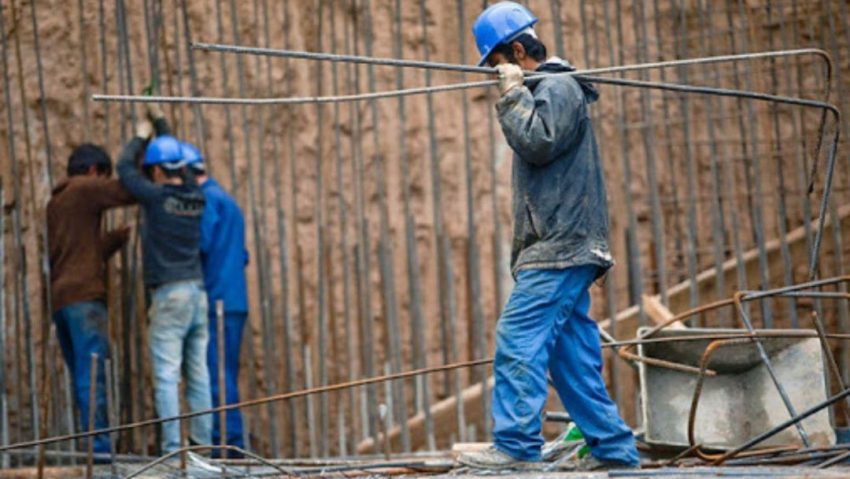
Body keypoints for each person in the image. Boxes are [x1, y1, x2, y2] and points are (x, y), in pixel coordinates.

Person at [459, 1, 639, 471]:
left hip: (560, 246)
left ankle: (516, 447)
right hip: (564, 244)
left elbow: (536, 143)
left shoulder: (558, 86)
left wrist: (512, 95)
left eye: (497, 64)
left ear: (518, 52)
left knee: (518, 336)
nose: (494, 76)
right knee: (570, 355)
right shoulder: (550, 89)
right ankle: (614, 448)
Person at [116, 108, 211, 454]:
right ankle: (202, 445)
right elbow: (179, 164)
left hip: (170, 294)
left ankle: (173, 449)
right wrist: (162, 126)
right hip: (197, 293)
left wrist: (142, 135)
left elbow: (124, 169)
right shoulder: (195, 196)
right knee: (198, 374)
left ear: (156, 171)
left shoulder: (157, 198)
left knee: (168, 375)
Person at [47, 144, 134, 454]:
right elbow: (127, 191)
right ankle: (98, 450)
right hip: (84, 298)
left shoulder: (57, 201)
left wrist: (115, 240)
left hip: (62, 300)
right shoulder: (84, 188)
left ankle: (92, 446)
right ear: (94, 171)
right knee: (92, 375)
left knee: (81, 376)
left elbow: (80, 252)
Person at [181, 141, 250, 455]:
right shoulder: (227, 201)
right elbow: (242, 255)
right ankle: (229, 443)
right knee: (225, 373)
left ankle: (229, 447)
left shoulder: (207, 200)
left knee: (217, 376)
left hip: (217, 301)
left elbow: (201, 243)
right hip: (234, 299)